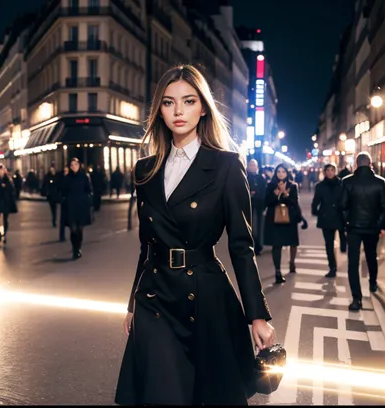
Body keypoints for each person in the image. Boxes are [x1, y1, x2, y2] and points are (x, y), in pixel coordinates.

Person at [115, 65, 275, 405]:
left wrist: (257, 316)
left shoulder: (227, 166)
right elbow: (147, 246)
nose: (178, 111)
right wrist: (132, 302)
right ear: (159, 109)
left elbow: (241, 247)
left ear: (203, 107)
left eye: (188, 101)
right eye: (169, 103)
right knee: (163, 393)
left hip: (205, 295)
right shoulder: (145, 169)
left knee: (209, 394)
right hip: (155, 298)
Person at [339, 152, 385, 311]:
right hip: (372, 227)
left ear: (357, 164)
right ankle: (372, 282)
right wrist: (380, 226)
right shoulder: (380, 182)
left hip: (354, 227)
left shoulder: (347, 181)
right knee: (371, 255)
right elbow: (384, 208)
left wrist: (347, 222)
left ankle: (356, 298)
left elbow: (343, 205)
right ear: (371, 164)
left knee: (353, 263)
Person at [263, 164, 301, 284]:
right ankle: (278, 271)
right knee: (277, 245)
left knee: (292, 242)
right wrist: (276, 194)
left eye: (283, 171)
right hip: (275, 219)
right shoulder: (270, 185)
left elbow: (294, 202)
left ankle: (292, 262)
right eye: (278, 171)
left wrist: (285, 193)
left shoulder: (293, 186)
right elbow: (267, 202)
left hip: (289, 219)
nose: (280, 174)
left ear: (287, 173)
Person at [311, 164, 345, 278]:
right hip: (326, 217)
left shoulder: (342, 184)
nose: (330, 172)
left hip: (340, 216)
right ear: (324, 172)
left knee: (344, 243)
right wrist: (316, 211)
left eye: (332, 170)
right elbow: (316, 201)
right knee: (329, 245)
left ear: (335, 171)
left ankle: (343, 258)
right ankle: (332, 267)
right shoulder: (320, 186)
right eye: (328, 170)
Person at [62, 157, 93, 259]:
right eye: (72, 165)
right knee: (73, 229)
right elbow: (63, 192)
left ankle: (79, 247)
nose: (74, 167)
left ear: (79, 165)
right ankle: (75, 249)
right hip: (71, 206)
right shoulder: (67, 178)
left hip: (81, 205)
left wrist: (88, 200)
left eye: (76, 165)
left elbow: (88, 190)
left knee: (80, 229)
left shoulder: (84, 177)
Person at [247, 159, 267, 255]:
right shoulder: (245, 177)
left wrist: (256, 194)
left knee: (259, 227)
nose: (252, 166)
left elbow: (264, 191)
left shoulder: (261, 178)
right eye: (250, 165)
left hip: (259, 205)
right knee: (251, 227)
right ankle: (252, 245)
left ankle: (258, 246)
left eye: (254, 165)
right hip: (249, 206)